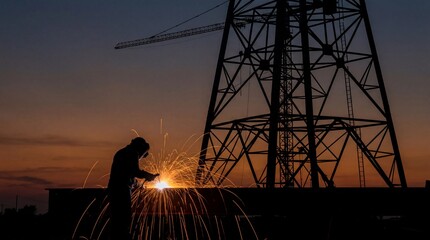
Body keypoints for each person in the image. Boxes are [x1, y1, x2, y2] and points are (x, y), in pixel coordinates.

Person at [107, 137, 159, 240]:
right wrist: (148, 175)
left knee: (116, 219)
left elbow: (126, 173)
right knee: (123, 218)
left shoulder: (122, 152)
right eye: (143, 154)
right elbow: (135, 171)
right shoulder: (132, 153)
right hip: (121, 191)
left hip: (114, 189)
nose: (141, 157)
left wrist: (139, 185)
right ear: (140, 148)